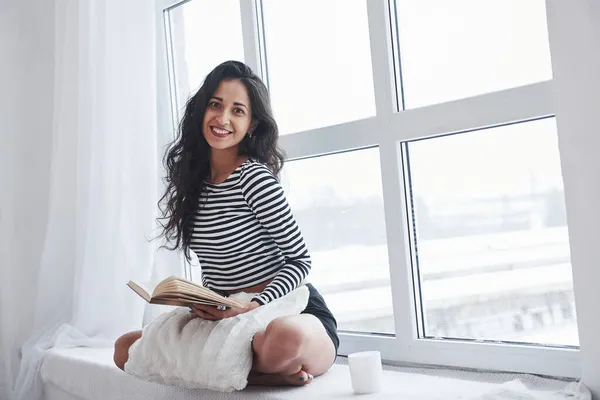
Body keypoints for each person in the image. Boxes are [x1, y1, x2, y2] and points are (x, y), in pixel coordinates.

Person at [113, 60, 339, 386]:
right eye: (216, 105)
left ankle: (255, 369)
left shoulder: (254, 179)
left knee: (280, 340)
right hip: (230, 319)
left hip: (286, 310)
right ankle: (263, 374)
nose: (222, 118)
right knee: (126, 349)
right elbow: (218, 270)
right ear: (200, 111)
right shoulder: (193, 185)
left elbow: (300, 261)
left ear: (251, 124)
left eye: (237, 110)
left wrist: (254, 305)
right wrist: (204, 303)